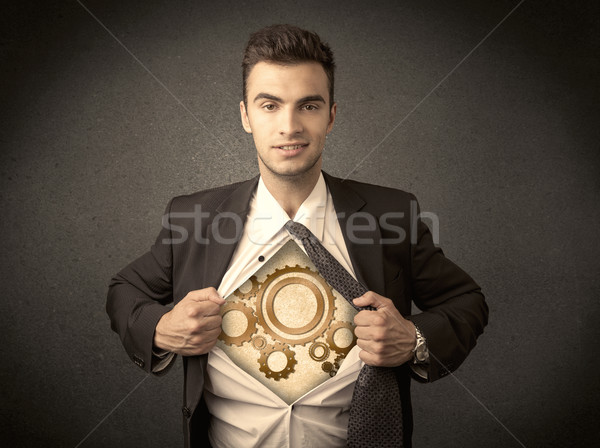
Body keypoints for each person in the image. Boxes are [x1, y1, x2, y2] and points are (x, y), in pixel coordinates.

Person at [107, 24, 488, 448]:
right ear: (246, 116)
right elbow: (124, 291)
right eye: (270, 105)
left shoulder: (391, 215)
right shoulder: (193, 218)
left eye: (308, 105)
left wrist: (413, 341)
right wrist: (160, 328)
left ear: (331, 116)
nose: (289, 126)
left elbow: (467, 302)